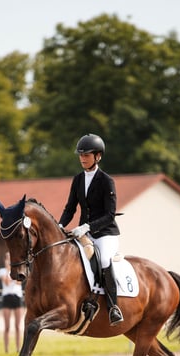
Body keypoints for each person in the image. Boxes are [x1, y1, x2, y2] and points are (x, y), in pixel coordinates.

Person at [58, 133, 123, 325]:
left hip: (105, 233)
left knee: (103, 259)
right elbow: (70, 208)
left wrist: (87, 226)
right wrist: (60, 226)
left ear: (98, 156)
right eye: (81, 155)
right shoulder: (78, 180)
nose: (83, 158)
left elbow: (110, 214)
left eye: (87, 155)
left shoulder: (106, 181)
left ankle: (113, 307)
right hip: (84, 233)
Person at [0, 252, 24, 353]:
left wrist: (12, 271)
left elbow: (18, 282)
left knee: (17, 326)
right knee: (7, 326)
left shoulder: (18, 270)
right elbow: (7, 282)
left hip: (17, 297)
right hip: (6, 297)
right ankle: (6, 349)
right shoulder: (2, 271)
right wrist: (8, 270)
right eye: (7, 259)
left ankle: (18, 349)